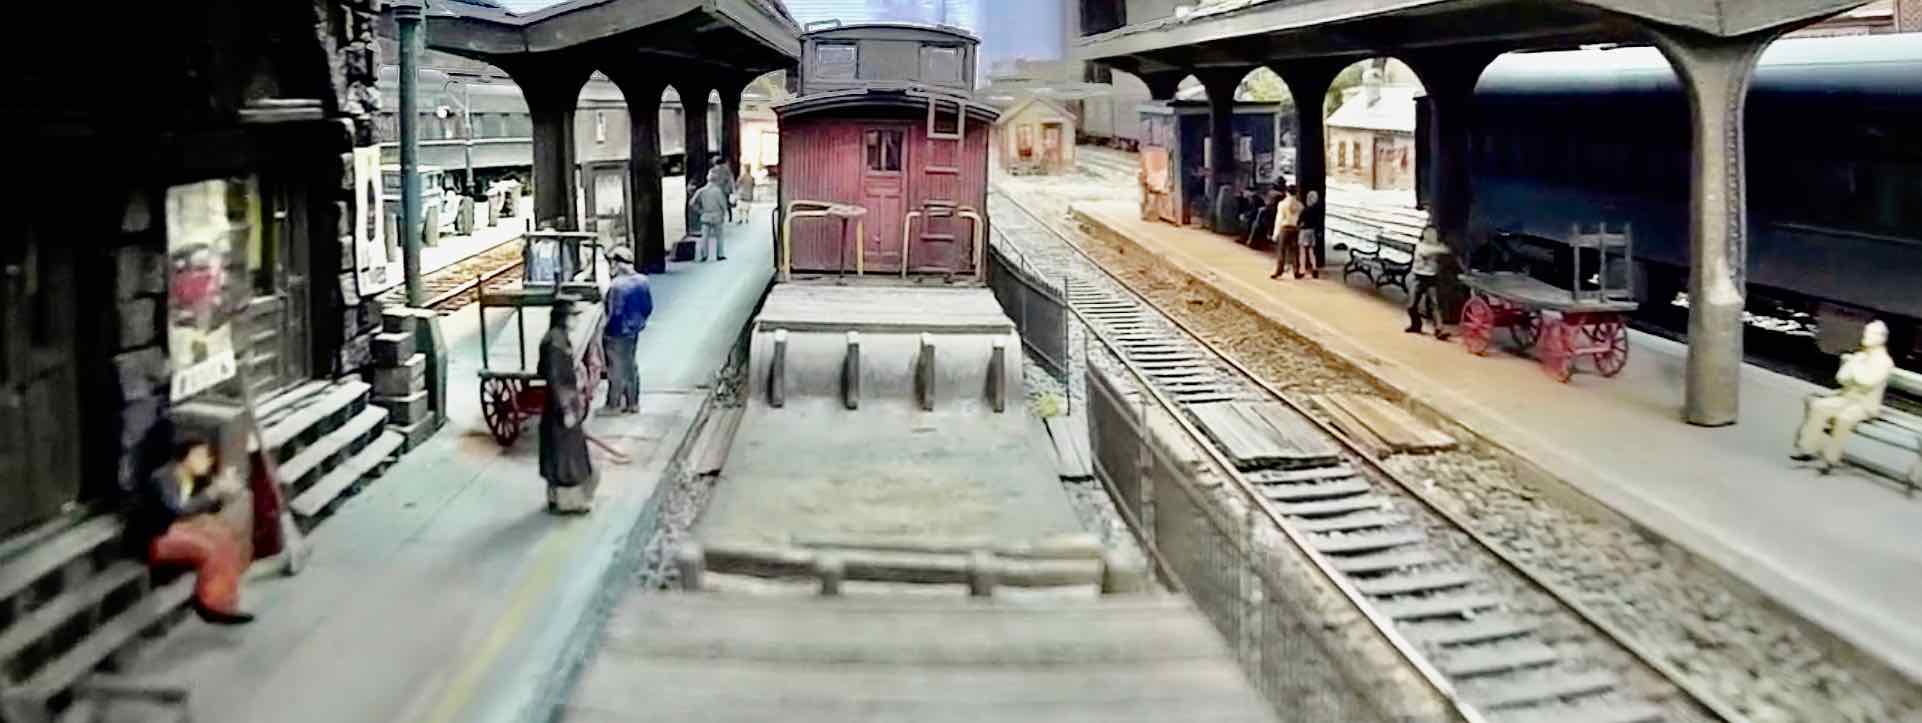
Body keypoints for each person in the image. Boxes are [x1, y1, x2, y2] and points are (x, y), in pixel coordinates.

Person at [130, 425, 255, 625]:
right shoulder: (163, 478)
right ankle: (211, 603)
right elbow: (177, 510)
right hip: (155, 538)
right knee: (210, 548)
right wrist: (213, 491)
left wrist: (224, 490)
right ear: (186, 457)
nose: (207, 460)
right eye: (201, 455)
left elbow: (203, 506)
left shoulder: (194, 478)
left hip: (175, 528)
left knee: (223, 534)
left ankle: (226, 597)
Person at [1793, 320, 1894, 472]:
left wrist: (1856, 365)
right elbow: (1841, 378)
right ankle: (1807, 449)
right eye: (1866, 333)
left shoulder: (1884, 361)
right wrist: (1855, 365)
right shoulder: (1861, 356)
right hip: (1847, 398)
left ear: (1881, 338)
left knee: (1845, 418)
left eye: (1871, 334)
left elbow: (1867, 381)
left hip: (1865, 405)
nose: (1866, 336)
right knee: (1819, 406)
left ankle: (1830, 459)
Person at [538, 298, 598, 514]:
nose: (576, 321)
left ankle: (555, 498)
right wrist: (566, 410)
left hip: (557, 406)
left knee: (557, 454)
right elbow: (555, 378)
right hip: (561, 407)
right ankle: (569, 503)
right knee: (567, 457)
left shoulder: (555, 338)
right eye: (573, 316)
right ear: (564, 318)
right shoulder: (556, 344)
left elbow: (542, 371)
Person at [602, 246, 653, 415]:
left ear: (618, 263)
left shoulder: (617, 286)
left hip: (617, 332)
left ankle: (614, 404)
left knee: (615, 368)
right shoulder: (643, 281)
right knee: (630, 366)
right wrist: (639, 323)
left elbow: (614, 313)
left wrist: (606, 330)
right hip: (633, 331)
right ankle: (633, 403)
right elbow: (648, 307)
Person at [1406, 225, 1450, 341]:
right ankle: (1416, 325)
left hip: (1432, 278)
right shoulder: (1420, 245)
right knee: (1411, 305)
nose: (1431, 235)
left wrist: (1441, 248)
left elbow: (1447, 250)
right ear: (1424, 234)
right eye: (1429, 233)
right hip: (1418, 277)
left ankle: (1439, 330)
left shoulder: (1438, 246)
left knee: (1435, 305)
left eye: (1433, 233)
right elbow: (1426, 252)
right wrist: (1440, 249)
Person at [688, 175, 731, 262]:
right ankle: (720, 255)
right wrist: (724, 214)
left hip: (705, 216)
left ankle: (704, 255)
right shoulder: (717, 191)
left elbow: (691, 203)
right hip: (717, 216)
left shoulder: (701, 190)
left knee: (704, 237)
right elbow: (723, 204)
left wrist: (699, 210)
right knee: (719, 237)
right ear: (715, 180)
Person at [1269, 184, 1303, 279]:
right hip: (1295, 229)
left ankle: (1279, 271)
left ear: (1287, 193)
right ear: (1296, 193)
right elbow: (1300, 218)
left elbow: (1279, 219)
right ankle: (1296, 271)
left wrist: (1275, 233)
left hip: (1284, 228)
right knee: (1295, 251)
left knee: (1281, 251)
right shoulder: (1300, 205)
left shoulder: (1282, 204)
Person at [1296, 189, 1323, 278]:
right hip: (1312, 231)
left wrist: (1298, 226)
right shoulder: (1317, 210)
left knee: (1302, 251)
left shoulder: (1305, 210)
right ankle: (1314, 269)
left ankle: (1302, 270)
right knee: (1311, 251)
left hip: (1304, 231)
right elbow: (1319, 222)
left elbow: (1299, 221)